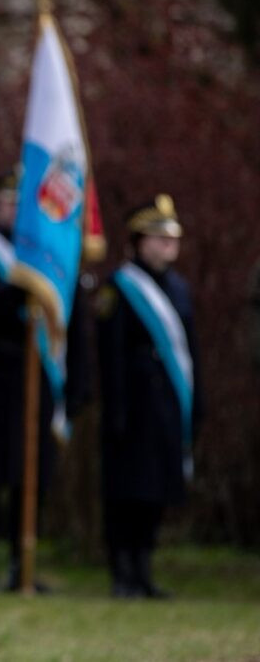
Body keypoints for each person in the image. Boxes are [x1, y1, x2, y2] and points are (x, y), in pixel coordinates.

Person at [0, 169, 88, 592]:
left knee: (31, 472)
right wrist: (16, 288)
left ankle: (22, 561)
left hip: (40, 372)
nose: (15, 211)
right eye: (8, 202)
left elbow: (72, 319)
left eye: (22, 204)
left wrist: (78, 381)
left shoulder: (51, 257)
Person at [96, 194, 202, 598]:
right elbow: (110, 356)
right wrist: (116, 411)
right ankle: (121, 570)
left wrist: (198, 403)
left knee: (156, 491)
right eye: (159, 239)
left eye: (172, 239)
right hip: (133, 406)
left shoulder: (179, 289)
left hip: (166, 408)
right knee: (126, 491)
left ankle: (144, 569)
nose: (168, 246)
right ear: (139, 241)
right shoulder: (119, 288)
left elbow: (190, 351)